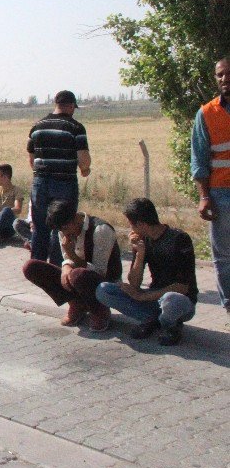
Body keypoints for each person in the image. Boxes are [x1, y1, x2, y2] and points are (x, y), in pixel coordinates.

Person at [96, 198, 197, 346]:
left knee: (170, 299)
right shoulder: (144, 241)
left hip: (181, 301)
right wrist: (139, 253)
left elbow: (182, 287)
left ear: (141, 224)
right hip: (154, 298)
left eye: (131, 225)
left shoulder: (179, 239)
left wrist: (143, 297)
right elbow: (134, 283)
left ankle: (171, 326)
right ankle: (152, 319)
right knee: (104, 290)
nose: (131, 229)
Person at [22, 200, 120, 332]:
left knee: (77, 275)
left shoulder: (100, 230)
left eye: (65, 228)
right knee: (31, 267)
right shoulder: (64, 229)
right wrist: (66, 267)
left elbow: (100, 271)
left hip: (105, 283)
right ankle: (76, 304)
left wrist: (71, 255)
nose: (64, 233)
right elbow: (67, 259)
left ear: (74, 218)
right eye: (60, 230)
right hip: (78, 279)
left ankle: (99, 310)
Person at [27, 90, 91, 265]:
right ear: (71, 106)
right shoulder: (75, 127)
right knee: (62, 227)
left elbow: (32, 160)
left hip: (40, 182)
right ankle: (56, 267)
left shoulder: (37, 127)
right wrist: (85, 169)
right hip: (64, 183)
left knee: (40, 227)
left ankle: (37, 267)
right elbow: (84, 160)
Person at [190, 56, 230, 317]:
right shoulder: (207, 113)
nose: (224, 79)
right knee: (224, 256)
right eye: (220, 75)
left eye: (228, 74)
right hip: (220, 194)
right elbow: (199, 158)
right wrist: (204, 197)